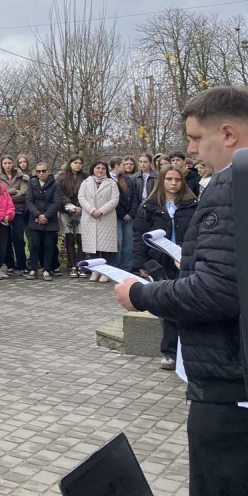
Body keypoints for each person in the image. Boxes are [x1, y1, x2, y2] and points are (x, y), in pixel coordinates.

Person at [114, 86, 248, 496]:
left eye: (195, 138)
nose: (189, 151)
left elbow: (219, 291)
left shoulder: (231, 186)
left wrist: (140, 294)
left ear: (227, 134)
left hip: (227, 383)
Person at [132, 165, 197, 372]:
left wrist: (188, 254)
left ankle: (188, 350)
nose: (173, 183)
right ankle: (169, 352)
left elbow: (199, 233)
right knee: (165, 304)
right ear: (162, 181)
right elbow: (139, 235)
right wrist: (140, 263)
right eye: (169, 179)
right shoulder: (149, 206)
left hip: (186, 260)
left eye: (177, 179)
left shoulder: (192, 204)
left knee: (188, 303)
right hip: (160, 262)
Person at [78, 160, 120, 282]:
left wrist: (101, 211)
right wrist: (92, 210)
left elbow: (114, 200)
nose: (100, 170)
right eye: (98, 168)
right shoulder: (85, 182)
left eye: (102, 168)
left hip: (106, 217)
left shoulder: (111, 183)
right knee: (93, 247)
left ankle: (105, 272)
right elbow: (81, 197)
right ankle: (95, 271)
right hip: (90, 217)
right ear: (93, 169)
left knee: (105, 247)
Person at [25, 162, 61, 281]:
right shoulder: (32, 183)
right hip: (35, 218)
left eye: (43, 171)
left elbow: (57, 202)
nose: (41, 173)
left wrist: (46, 215)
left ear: (48, 171)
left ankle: (47, 270)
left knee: (49, 245)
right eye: (38, 171)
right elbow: (29, 201)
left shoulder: (55, 184)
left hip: (50, 219)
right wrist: (38, 214)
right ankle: (33, 269)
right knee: (34, 245)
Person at [55, 157, 87, 277]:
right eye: (75, 163)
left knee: (81, 239)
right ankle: (73, 265)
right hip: (66, 210)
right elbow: (60, 194)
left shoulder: (86, 177)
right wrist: (71, 207)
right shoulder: (62, 177)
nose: (78, 165)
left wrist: (79, 207)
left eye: (80, 163)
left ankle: (81, 265)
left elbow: (86, 194)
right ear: (70, 164)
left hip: (82, 210)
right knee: (69, 238)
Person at [0, 155, 30, 276]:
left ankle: (22, 266)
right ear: (2, 164)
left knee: (18, 238)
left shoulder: (21, 175)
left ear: (13, 163)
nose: (7, 165)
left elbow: (24, 193)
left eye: (9, 163)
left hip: (19, 211)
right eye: (5, 163)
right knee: (6, 239)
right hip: (4, 211)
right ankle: (10, 265)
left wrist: (7, 194)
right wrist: (13, 191)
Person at [111, 156, 138, 272]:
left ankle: (126, 268)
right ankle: (115, 267)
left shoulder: (127, 179)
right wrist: (123, 214)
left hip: (129, 216)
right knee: (118, 242)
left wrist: (131, 213)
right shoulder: (108, 180)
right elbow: (113, 201)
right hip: (115, 216)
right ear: (117, 166)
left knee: (128, 243)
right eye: (123, 164)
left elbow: (134, 198)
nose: (126, 167)